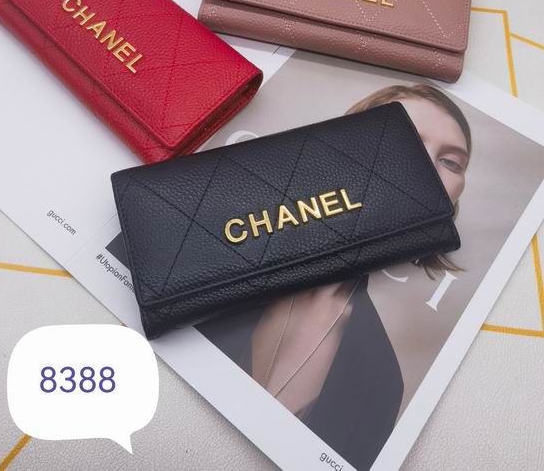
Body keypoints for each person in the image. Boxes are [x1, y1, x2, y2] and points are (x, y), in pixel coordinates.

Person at [198, 84, 471, 471]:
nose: (424, 163)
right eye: (401, 135)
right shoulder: (221, 227)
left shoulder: (383, 381)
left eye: (451, 162)